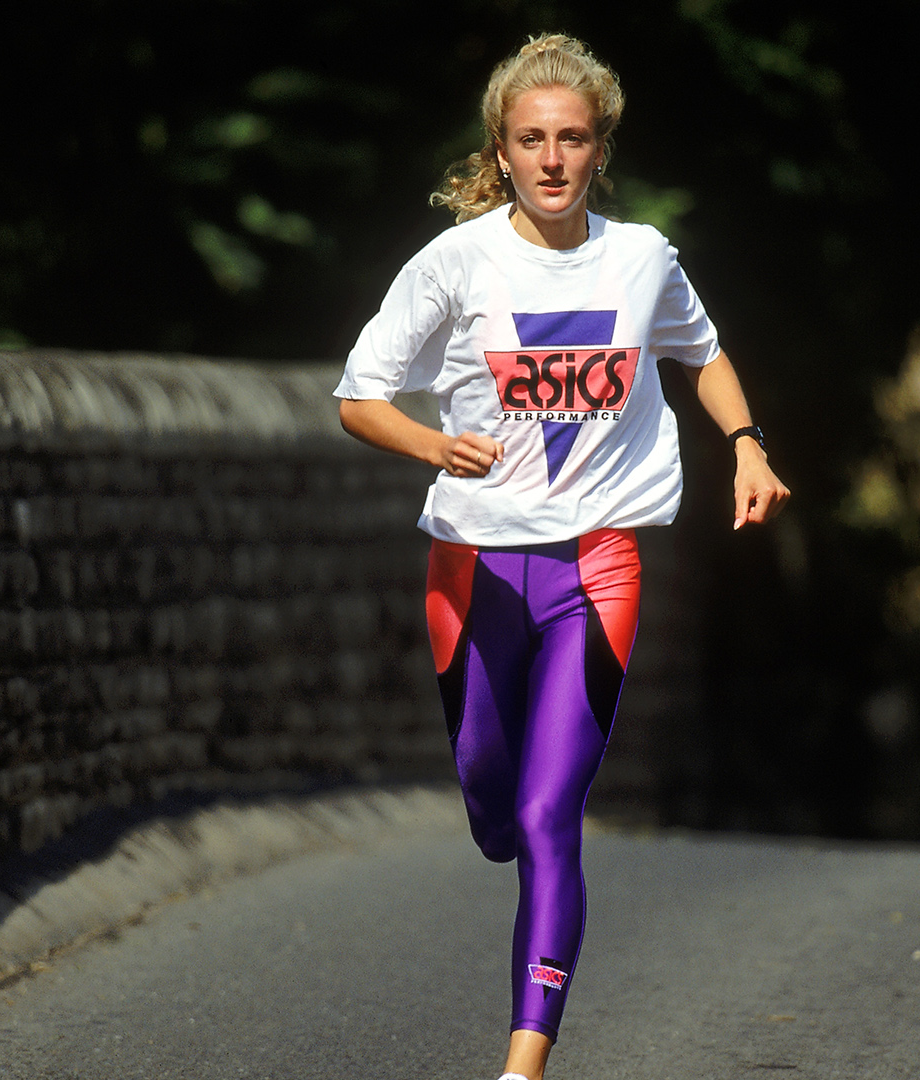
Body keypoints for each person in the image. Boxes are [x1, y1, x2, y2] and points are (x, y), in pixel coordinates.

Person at [333, 33, 790, 1080]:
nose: (551, 160)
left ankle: (524, 1062)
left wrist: (748, 445)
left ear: (599, 150)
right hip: (474, 571)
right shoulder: (456, 263)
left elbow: (702, 350)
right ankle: (499, 832)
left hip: (596, 569)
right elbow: (358, 396)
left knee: (549, 814)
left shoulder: (641, 260)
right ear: (500, 150)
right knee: (493, 806)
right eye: (531, 140)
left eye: (571, 139)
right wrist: (432, 442)